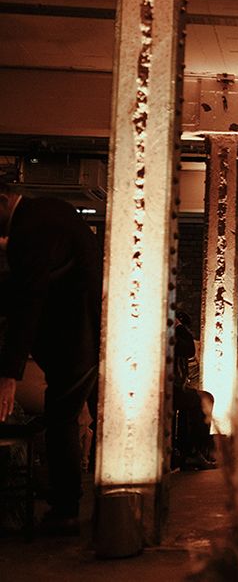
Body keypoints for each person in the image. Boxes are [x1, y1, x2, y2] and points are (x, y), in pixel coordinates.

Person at [0, 186, 102, 534]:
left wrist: (9, 374)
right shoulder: (51, 211)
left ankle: (65, 509)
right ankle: (106, 503)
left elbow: (29, 299)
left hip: (74, 340)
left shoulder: (31, 228)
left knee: (61, 420)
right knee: (87, 419)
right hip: (92, 332)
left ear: (2, 200)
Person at [172, 311, 215, 469]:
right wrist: (179, 326)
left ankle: (188, 452)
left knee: (192, 401)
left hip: (170, 389)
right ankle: (194, 452)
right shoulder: (167, 334)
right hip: (164, 391)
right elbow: (188, 349)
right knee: (204, 400)